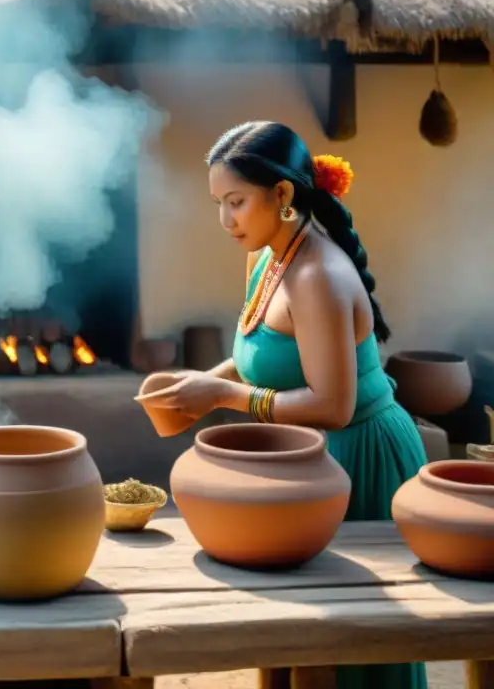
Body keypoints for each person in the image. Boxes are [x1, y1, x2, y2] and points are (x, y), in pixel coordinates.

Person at [141, 121, 427, 689]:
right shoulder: (266, 257)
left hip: (358, 458)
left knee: (351, 647)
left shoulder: (317, 275)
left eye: (237, 202)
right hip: (304, 464)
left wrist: (222, 396)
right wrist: (200, 384)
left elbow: (334, 406)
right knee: (295, 630)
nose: (226, 220)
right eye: (219, 203)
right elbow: (258, 360)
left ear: (284, 195)